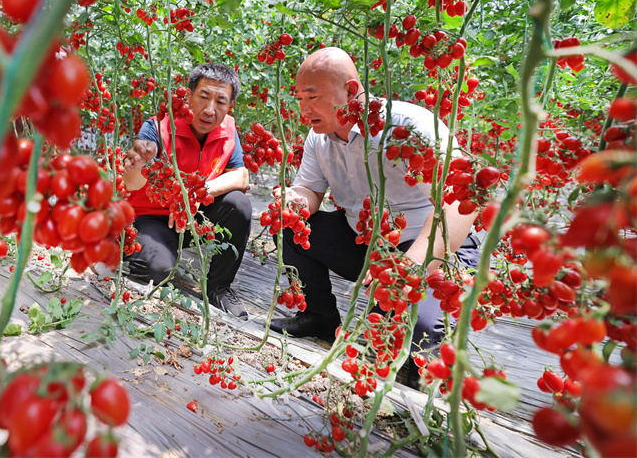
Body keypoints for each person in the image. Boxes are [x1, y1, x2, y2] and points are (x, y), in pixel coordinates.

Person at [271, 48, 481, 382]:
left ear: (351, 92)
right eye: (299, 98)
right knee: (291, 228)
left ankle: (421, 364)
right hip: (368, 244)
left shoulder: (411, 125)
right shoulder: (318, 136)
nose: (303, 108)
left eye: (313, 97)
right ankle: (319, 317)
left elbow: (460, 200)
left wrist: (410, 265)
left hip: (429, 248)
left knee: (416, 339)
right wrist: (294, 201)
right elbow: (310, 191)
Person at [122, 63, 252, 320]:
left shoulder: (228, 131)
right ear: (188, 96)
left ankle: (219, 287)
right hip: (152, 217)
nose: (209, 109)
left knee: (239, 204)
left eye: (221, 101)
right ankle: (132, 245)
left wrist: (192, 194)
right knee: (157, 271)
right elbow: (132, 184)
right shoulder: (158, 128)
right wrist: (137, 164)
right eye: (203, 97)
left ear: (229, 107)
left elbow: (242, 176)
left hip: (193, 216)